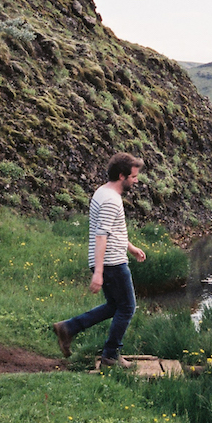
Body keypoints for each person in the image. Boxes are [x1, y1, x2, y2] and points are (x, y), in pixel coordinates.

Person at [52, 153, 147, 368]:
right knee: (127, 308)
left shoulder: (103, 192)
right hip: (112, 263)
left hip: (113, 259)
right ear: (121, 175)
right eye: (133, 176)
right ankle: (110, 356)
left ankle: (68, 328)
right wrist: (99, 272)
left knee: (114, 306)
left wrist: (130, 248)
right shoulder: (111, 200)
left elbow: (113, 231)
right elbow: (101, 235)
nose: (136, 180)